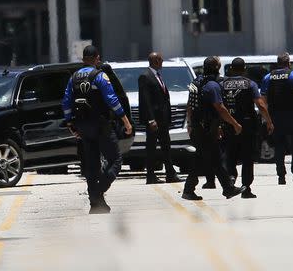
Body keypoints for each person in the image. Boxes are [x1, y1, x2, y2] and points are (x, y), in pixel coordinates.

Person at [62, 46, 133, 214]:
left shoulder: (73, 78)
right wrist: (126, 121)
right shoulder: (100, 75)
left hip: (83, 126)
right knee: (115, 160)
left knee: (92, 165)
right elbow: (112, 100)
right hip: (101, 125)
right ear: (96, 58)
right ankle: (99, 190)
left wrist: (70, 124)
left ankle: (96, 204)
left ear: (83, 59)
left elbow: (66, 102)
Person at [182, 57, 244, 201]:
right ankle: (226, 188)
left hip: (200, 127)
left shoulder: (196, 82)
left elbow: (190, 106)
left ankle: (191, 189)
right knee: (212, 159)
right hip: (206, 129)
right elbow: (220, 108)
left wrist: (190, 124)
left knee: (208, 158)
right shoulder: (212, 86)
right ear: (216, 68)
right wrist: (235, 124)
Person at [222, 58, 273, 199]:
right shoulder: (250, 84)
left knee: (230, 155)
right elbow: (261, 105)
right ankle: (246, 189)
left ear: (231, 69)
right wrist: (269, 121)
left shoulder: (223, 84)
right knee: (247, 158)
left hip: (229, 125)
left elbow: (219, 105)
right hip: (247, 126)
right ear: (244, 69)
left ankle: (231, 179)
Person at [261, 53, 293, 185]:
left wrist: (267, 119)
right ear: (289, 62)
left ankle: (281, 176)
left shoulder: (268, 77)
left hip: (276, 117)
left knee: (279, 147)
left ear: (277, 63)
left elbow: (263, 100)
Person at [139, 52, 180, 184]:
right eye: (161, 59)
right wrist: (151, 119)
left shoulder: (158, 76)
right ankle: (150, 176)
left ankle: (170, 174)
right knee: (151, 148)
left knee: (166, 147)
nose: (162, 61)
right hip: (154, 120)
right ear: (156, 61)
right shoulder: (145, 76)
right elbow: (145, 100)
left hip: (163, 119)